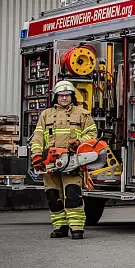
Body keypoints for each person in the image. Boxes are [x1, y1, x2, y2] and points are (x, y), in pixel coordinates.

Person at [29, 80, 98, 239]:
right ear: (56, 97)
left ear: (72, 96)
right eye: (61, 95)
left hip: (72, 161)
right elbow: (38, 138)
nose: (64, 98)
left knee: (73, 196)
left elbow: (92, 135)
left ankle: (77, 228)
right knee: (53, 196)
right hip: (50, 163)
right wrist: (37, 156)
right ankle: (60, 227)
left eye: (67, 95)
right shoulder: (46, 115)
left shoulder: (82, 114)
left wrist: (79, 142)